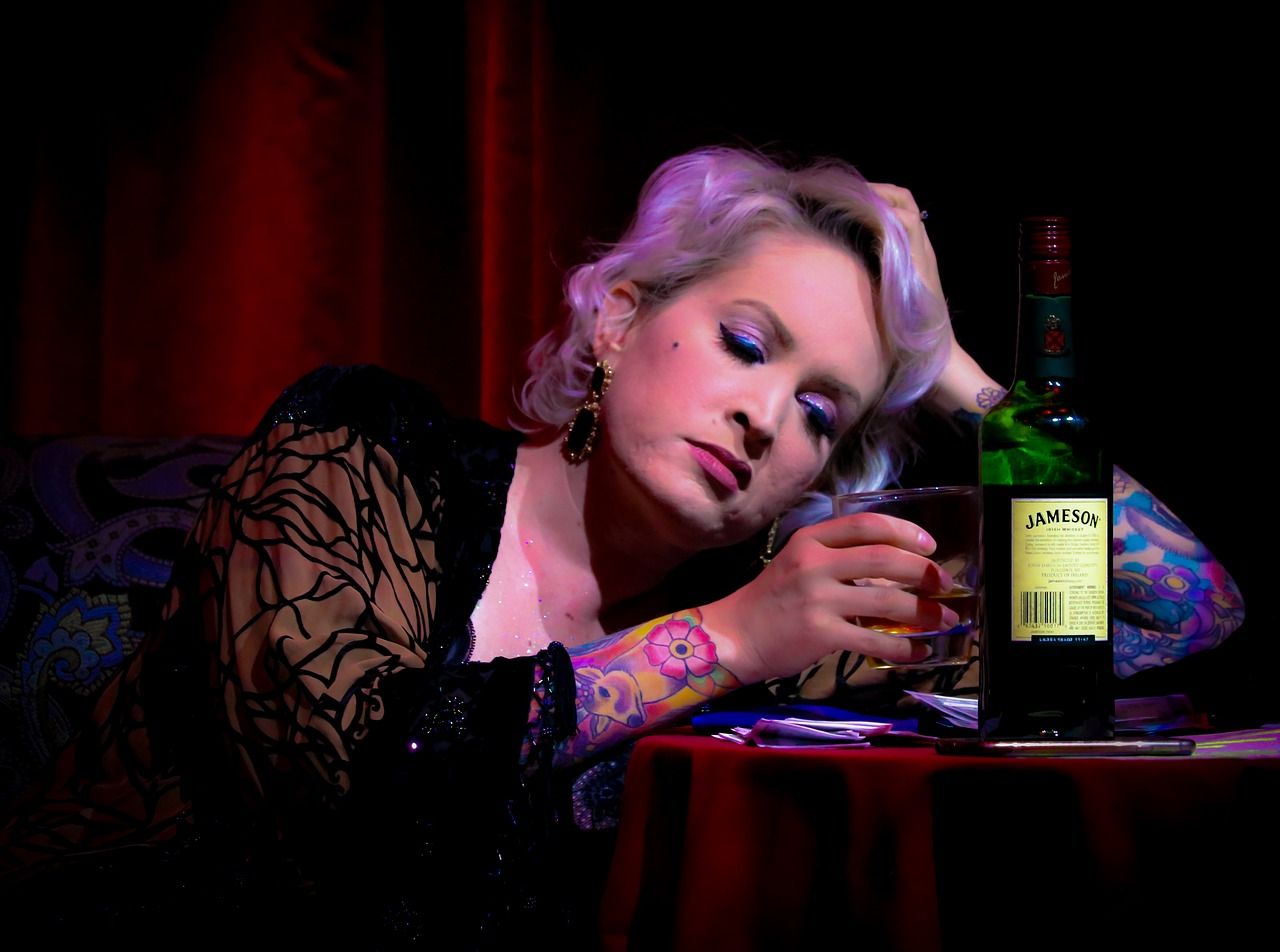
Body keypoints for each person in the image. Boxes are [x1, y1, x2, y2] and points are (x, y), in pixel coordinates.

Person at [0, 147, 1245, 948]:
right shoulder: (360, 450)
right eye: (746, 345)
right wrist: (723, 641)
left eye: (821, 413)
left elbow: (1180, 608)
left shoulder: (789, 618)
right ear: (615, 315)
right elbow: (344, 779)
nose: (766, 417)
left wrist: (960, 379)